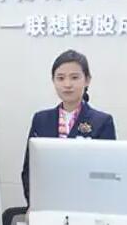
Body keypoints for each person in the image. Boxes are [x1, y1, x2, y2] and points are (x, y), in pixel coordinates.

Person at [21, 49, 116, 203]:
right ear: (53, 81)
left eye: (74, 77)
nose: (67, 84)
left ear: (87, 80)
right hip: (46, 203)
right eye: (60, 78)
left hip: (87, 204)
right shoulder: (41, 119)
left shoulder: (102, 122)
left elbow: (106, 174)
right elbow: (29, 170)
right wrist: (36, 204)